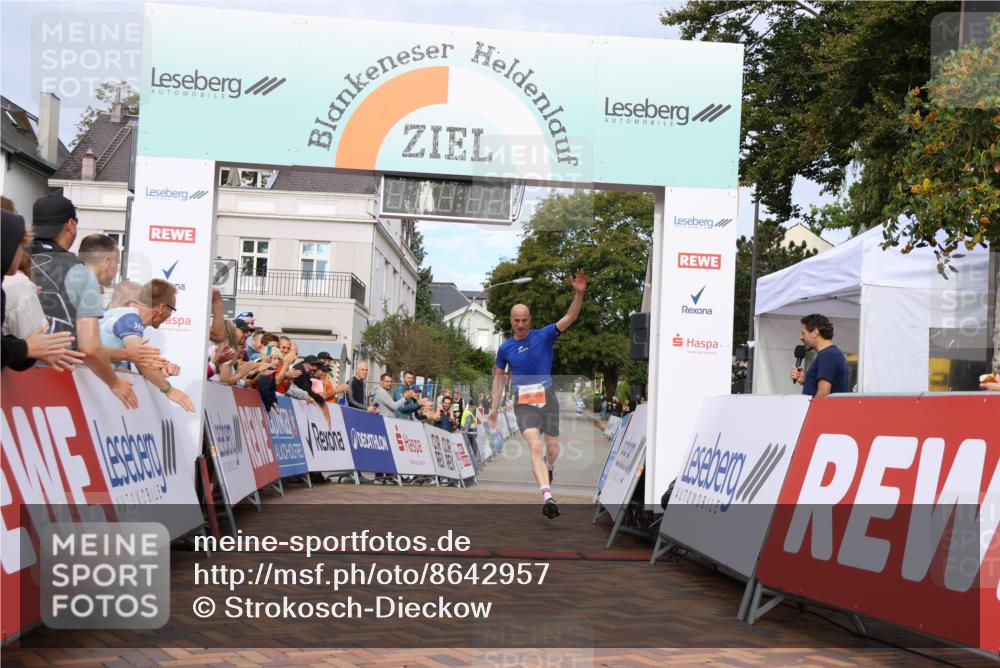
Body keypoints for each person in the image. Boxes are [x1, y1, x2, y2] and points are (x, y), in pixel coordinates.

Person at [490, 269, 587, 519]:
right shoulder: (505, 348)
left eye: (524, 320)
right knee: (535, 446)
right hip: (524, 402)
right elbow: (498, 377)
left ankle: (550, 466)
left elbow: (570, 317)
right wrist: (493, 407)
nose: (521, 325)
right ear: (511, 321)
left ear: (530, 320)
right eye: (516, 320)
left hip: (547, 398)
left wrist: (579, 294)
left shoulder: (544, 336)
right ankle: (548, 497)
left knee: (552, 449)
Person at [29, 195, 138, 409]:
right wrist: (115, 383)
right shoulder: (80, 273)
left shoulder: (11, 258)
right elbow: (90, 348)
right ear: (71, 225)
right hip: (53, 385)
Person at [2, 209, 84, 371]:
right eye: (20, 246)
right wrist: (25, 348)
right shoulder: (18, 284)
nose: (23, 253)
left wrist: (26, 348)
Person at [99, 278, 195, 412]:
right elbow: (141, 360)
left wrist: (160, 367)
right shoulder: (131, 318)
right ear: (162, 308)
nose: (171, 315)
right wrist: (169, 390)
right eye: (172, 310)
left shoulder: (126, 316)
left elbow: (127, 360)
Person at [791, 313, 850, 398]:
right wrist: (806, 380)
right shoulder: (833, 354)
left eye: (803, 333)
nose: (801, 337)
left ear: (815, 333)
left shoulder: (828, 355)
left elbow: (823, 395)